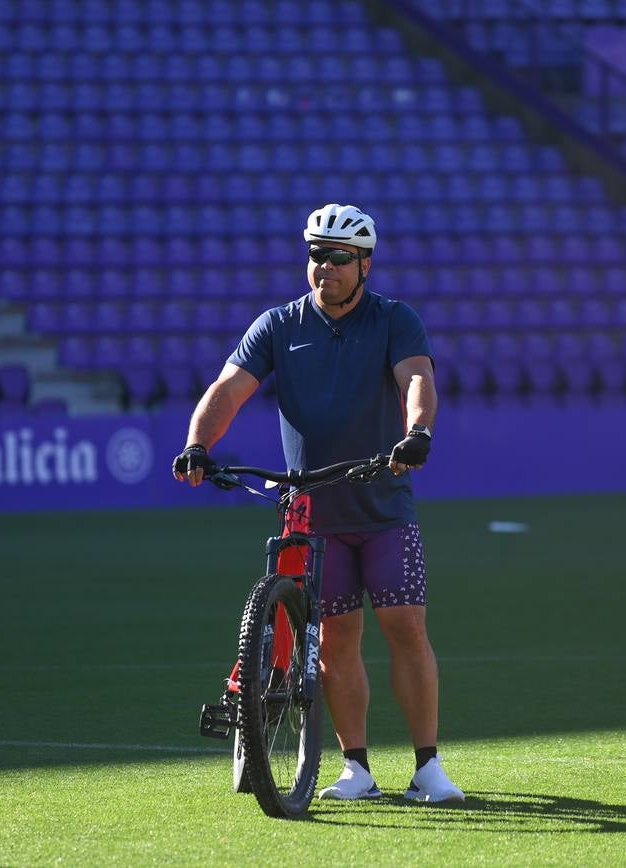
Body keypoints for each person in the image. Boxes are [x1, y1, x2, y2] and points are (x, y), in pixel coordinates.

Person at [172, 203, 464, 804]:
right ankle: (355, 767)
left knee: (405, 627)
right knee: (334, 640)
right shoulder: (279, 324)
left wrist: (418, 435)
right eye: (315, 255)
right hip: (315, 512)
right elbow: (227, 389)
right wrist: (198, 445)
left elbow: (417, 380)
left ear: (364, 265)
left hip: (383, 505)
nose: (323, 267)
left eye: (337, 258)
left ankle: (427, 766)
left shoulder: (394, 320)